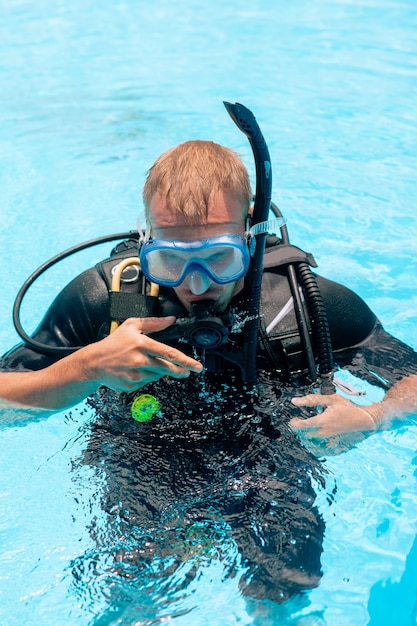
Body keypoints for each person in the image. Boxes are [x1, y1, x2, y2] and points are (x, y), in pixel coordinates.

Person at [1, 139, 417, 603]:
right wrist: (85, 367)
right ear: (147, 239)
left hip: (273, 455)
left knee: (285, 590)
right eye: (171, 260)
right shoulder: (106, 298)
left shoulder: (301, 303)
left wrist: (374, 417)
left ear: (250, 231)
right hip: (140, 453)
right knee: (130, 591)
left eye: (220, 257)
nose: (196, 284)